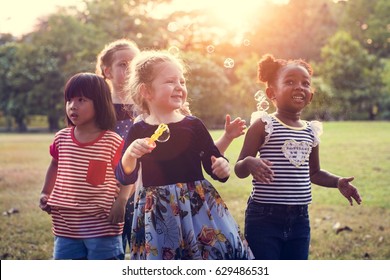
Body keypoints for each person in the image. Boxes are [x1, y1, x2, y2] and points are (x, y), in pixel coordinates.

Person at [96, 39, 246, 259]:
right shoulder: (139, 129)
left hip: (196, 206)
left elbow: (212, 164)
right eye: (170, 81)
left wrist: (222, 167)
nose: (180, 87)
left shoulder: (193, 125)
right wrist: (130, 154)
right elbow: (124, 175)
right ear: (146, 91)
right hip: (157, 210)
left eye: (182, 81)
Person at [234, 54, 362, 260]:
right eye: (290, 82)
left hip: (300, 220)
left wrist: (337, 181)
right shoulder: (264, 125)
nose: (299, 87)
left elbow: (315, 173)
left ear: (310, 96)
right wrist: (250, 162)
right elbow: (239, 168)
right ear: (271, 93)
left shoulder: (311, 131)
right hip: (264, 217)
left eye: (305, 83)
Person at [39, 73, 131, 260]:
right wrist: (45, 192)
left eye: (81, 100)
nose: (73, 106)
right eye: (69, 100)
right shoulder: (61, 138)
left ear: (100, 103)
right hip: (65, 226)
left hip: (102, 226)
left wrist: (121, 201)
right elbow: (55, 165)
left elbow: (128, 174)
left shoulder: (112, 141)